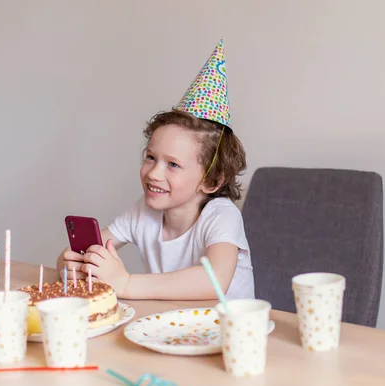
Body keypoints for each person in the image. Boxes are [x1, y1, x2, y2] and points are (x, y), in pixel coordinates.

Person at [56, 40, 254, 300]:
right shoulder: (143, 212)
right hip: (171, 329)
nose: (154, 173)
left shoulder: (221, 216)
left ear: (212, 180)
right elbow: (89, 251)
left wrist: (125, 283)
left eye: (172, 164)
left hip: (227, 334)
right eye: (151, 157)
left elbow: (214, 281)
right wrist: (69, 265)